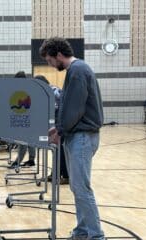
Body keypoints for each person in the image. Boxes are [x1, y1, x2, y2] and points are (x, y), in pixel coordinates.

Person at [40, 37, 105, 240]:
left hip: (82, 137)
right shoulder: (76, 70)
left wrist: (60, 130)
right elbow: (70, 106)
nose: (50, 64)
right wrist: (58, 128)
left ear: (59, 55)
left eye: (50, 60)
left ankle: (96, 236)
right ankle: (83, 231)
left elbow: (74, 109)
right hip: (78, 136)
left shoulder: (78, 71)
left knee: (81, 188)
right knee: (78, 188)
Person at [34, 75, 70, 185]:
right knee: (57, 151)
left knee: (60, 152)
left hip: (62, 125)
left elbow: (56, 111)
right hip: (58, 126)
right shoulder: (48, 92)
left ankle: (64, 176)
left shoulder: (53, 92)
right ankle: (55, 174)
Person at [8, 71, 36, 169]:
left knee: (23, 141)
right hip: (32, 117)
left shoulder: (22, 89)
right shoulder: (31, 87)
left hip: (25, 117)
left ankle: (17, 162)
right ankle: (31, 160)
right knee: (30, 140)